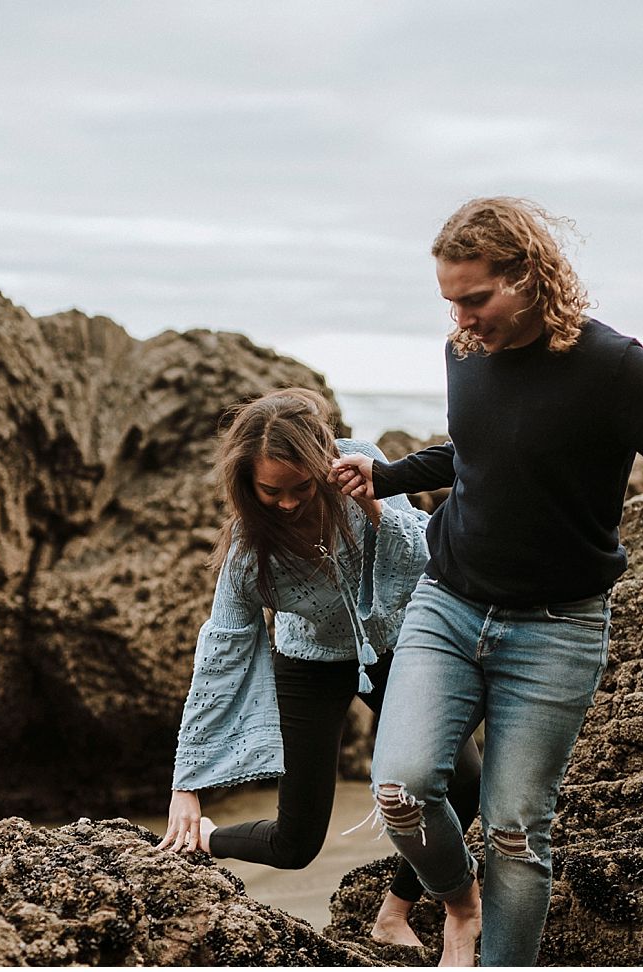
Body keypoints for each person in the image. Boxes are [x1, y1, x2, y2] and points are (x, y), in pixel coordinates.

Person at [332, 197, 643, 966]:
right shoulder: (466, 351)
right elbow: (476, 450)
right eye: (450, 300)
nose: (461, 316)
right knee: (402, 788)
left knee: (517, 830)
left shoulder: (612, 367)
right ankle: (459, 903)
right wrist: (387, 477)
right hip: (448, 605)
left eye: (476, 297)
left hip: (556, 629)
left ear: (527, 275)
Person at [159, 387, 483, 948]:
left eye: (301, 487)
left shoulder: (362, 467)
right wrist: (189, 782)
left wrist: (375, 505)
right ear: (247, 484)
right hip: (309, 663)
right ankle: (210, 839)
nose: (286, 503)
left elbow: (425, 558)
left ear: (322, 463)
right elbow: (220, 655)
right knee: (295, 844)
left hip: (397, 648)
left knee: (464, 784)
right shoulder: (247, 551)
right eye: (270, 491)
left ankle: (395, 912)